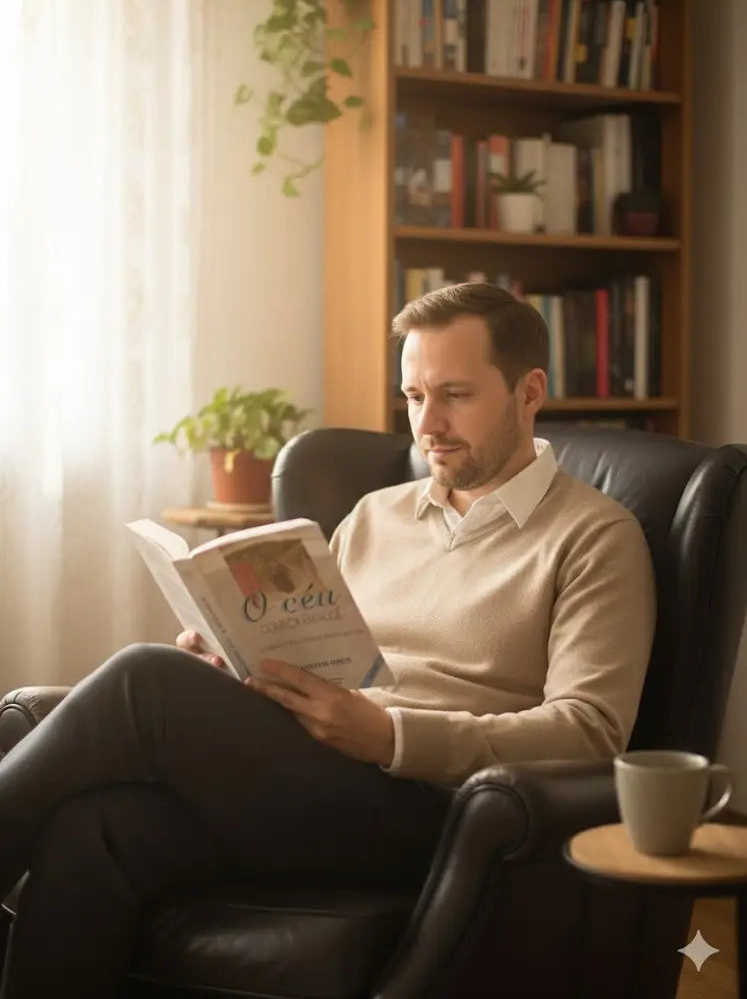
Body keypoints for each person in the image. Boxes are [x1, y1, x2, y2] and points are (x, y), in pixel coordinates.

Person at [0, 283, 656, 996]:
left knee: (143, 681)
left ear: (529, 391)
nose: (426, 424)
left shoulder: (595, 537)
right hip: (315, 778)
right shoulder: (375, 516)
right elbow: (320, 653)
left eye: (454, 394)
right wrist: (233, 661)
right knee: (97, 830)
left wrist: (392, 737)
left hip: (440, 809)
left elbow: (591, 732)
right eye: (412, 396)